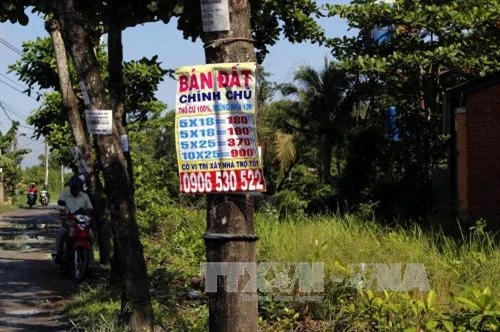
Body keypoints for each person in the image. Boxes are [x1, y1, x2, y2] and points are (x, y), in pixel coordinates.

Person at [52, 177, 93, 262]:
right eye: (73, 187)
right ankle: (56, 252)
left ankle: (90, 263)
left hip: (81, 223)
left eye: (76, 188)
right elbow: (61, 208)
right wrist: (63, 217)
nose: (74, 190)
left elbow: (90, 209)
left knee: (89, 237)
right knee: (62, 231)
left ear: (80, 188)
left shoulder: (84, 196)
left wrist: (89, 214)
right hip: (69, 222)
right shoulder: (64, 194)